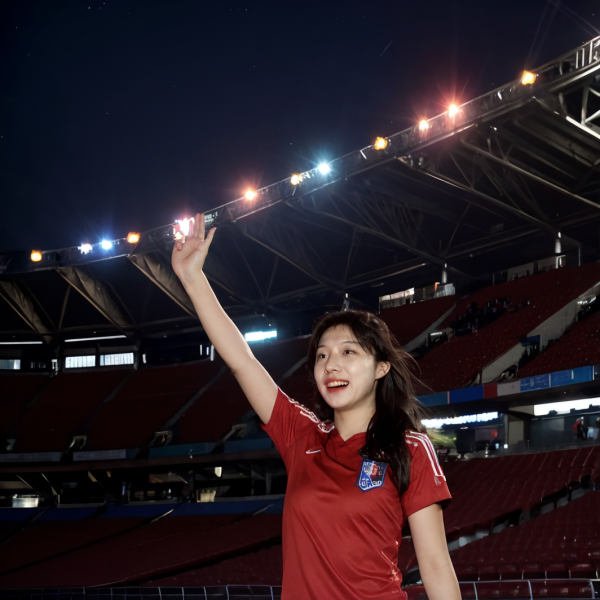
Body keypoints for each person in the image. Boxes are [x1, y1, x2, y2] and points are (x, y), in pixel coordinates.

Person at [171, 214, 461, 600]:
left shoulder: (409, 448)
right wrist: (193, 277)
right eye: (322, 355)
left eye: (348, 352)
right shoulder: (301, 436)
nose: (331, 365)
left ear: (381, 368)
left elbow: (436, 566)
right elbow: (243, 361)